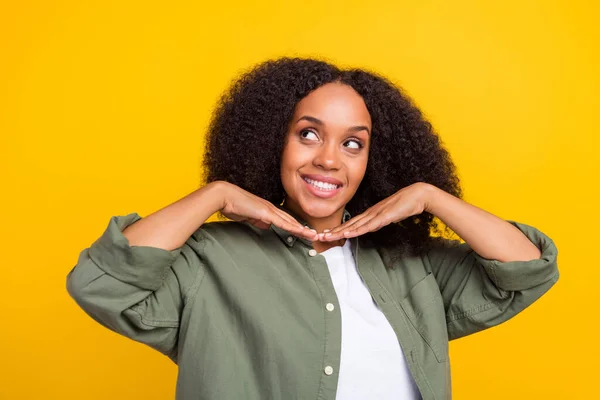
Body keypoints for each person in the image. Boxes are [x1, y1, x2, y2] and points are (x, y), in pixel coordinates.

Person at [66, 58, 559, 400]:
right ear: (271, 141)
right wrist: (215, 194)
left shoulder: (413, 265)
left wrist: (431, 196)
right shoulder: (209, 260)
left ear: (373, 160)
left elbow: (529, 269)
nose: (327, 159)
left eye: (353, 144)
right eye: (308, 134)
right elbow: (99, 284)